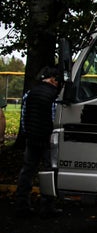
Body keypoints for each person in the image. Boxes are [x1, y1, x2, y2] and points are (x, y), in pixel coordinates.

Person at [15, 66, 63, 217]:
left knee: (27, 171)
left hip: (32, 137)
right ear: (53, 79)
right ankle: (47, 206)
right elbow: (54, 120)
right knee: (50, 171)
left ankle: (22, 203)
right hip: (47, 139)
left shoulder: (30, 94)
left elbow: (23, 118)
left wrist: (27, 133)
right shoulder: (54, 96)